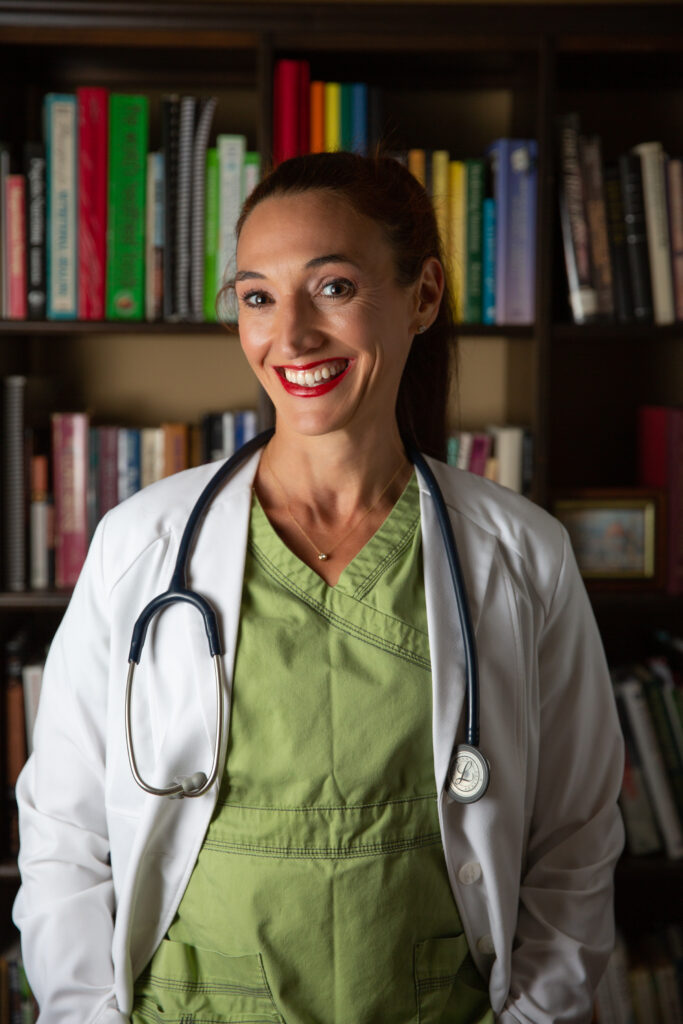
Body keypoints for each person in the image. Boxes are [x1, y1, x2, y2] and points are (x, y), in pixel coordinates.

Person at [14, 151, 625, 1024]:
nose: (289, 337)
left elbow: (574, 838)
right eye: (257, 297)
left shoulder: (520, 554)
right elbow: (66, 829)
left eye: (331, 287)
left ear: (421, 296)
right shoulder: (138, 545)